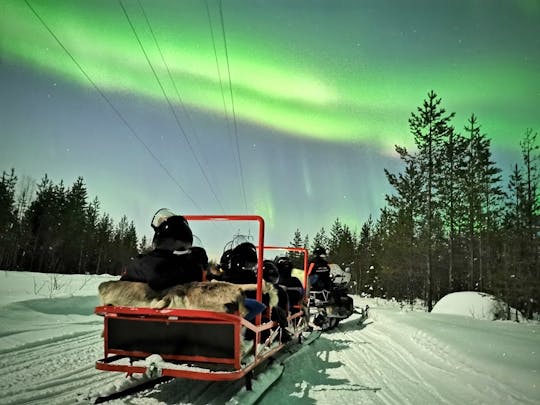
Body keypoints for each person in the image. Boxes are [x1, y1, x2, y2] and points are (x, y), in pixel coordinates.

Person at [120, 208, 205, 291]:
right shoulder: (157, 264)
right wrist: (198, 272)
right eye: (181, 244)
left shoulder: (143, 262)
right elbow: (157, 276)